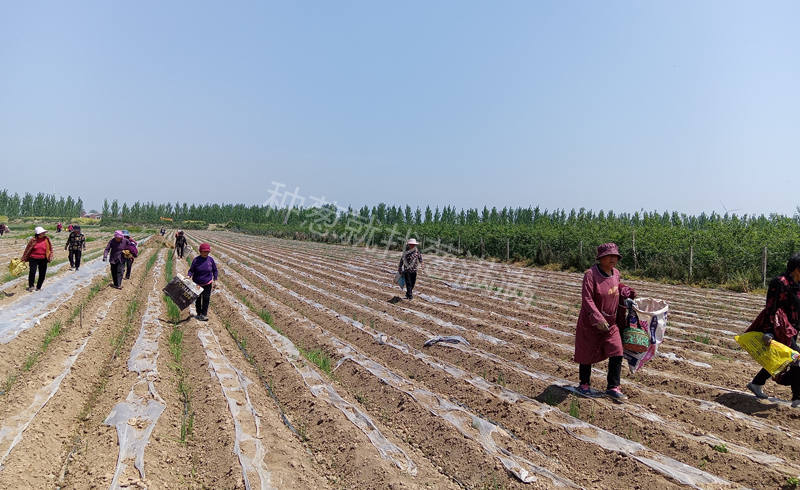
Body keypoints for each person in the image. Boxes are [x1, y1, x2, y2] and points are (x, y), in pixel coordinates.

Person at [573, 243, 636, 400]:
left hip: (611, 322)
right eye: (609, 256)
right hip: (591, 322)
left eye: (615, 256)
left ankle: (613, 387)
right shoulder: (591, 274)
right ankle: (584, 384)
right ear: (601, 258)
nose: (613, 259)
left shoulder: (616, 273)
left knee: (617, 350)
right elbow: (587, 299)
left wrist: (626, 296)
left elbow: (616, 288)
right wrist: (597, 317)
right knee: (587, 352)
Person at [745, 254, 800, 408]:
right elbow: (771, 307)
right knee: (796, 358)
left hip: (793, 329)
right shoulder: (779, 282)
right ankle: (797, 397)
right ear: (797, 268)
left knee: (785, 359)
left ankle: (757, 383)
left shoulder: (798, 284)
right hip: (780, 328)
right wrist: (768, 331)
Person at [188, 242, 217, 321]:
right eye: (204, 251)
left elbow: (215, 270)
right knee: (198, 299)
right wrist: (188, 275)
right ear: (200, 251)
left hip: (207, 283)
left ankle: (204, 314)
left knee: (206, 299)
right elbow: (191, 270)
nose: (205, 253)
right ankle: (199, 313)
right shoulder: (196, 260)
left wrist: (215, 280)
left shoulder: (210, 260)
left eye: (207, 252)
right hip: (197, 284)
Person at [21, 226, 53, 291]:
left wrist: (50, 255)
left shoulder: (47, 239)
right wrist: (23, 258)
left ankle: (38, 287)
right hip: (33, 258)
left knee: (42, 273)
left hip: (43, 259)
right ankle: (31, 286)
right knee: (32, 272)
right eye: (42, 232)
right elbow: (27, 249)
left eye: (44, 232)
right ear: (38, 233)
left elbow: (50, 248)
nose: (44, 233)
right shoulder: (33, 240)